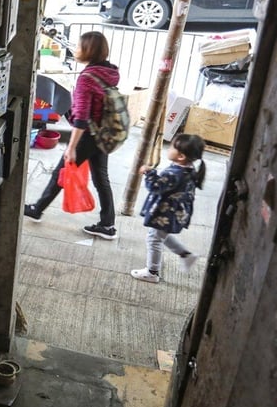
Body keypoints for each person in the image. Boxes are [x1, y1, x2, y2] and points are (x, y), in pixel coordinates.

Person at [24, 31, 120, 239]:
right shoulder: (110, 72)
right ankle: (108, 224)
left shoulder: (87, 78)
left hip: (88, 134)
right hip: (104, 133)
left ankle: (37, 209)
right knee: (101, 178)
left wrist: (71, 147)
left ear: (88, 50)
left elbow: (81, 118)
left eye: (79, 46)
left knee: (62, 170)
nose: (76, 50)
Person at [130, 134, 206, 283]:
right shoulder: (187, 169)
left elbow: (155, 186)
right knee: (159, 235)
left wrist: (149, 172)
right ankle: (185, 255)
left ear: (181, 156)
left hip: (166, 212)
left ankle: (152, 272)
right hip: (174, 211)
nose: (169, 148)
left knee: (154, 239)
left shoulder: (174, 173)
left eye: (172, 147)